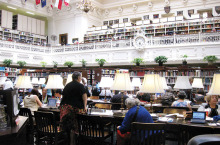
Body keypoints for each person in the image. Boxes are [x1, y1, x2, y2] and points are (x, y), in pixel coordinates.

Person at [59, 72, 87, 145]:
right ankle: (74, 141)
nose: (81, 79)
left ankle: (67, 141)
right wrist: (85, 107)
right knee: (75, 126)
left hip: (64, 109)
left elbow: (63, 97)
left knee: (67, 127)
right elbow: (84, 97)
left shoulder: (67, 85)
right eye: (80, 77)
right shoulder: (80, 86)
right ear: (78, 78)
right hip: (74, 108)